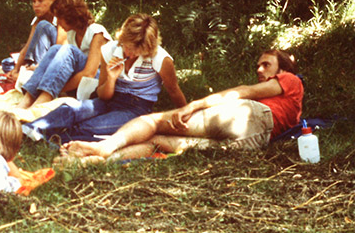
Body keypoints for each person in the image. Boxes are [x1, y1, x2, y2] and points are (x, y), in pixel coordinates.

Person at [59, 50, 303, 163]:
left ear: (283, 70)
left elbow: (244, 92)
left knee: (154, 121)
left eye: (267, 65)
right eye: (258, 65)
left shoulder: (290, 81)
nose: (260, 70)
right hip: (252, 143)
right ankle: (99, 161)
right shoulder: (289, 104)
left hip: (249, 117)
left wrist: (193, 106)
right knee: (158, 140)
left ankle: (104, 147)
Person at [22, 14, 187, 143]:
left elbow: (174, 91)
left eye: (136, 52)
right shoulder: (110, 50)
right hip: (111, 99)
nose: (128, 54)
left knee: (89, 127)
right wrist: (112, 78)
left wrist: (187, 116)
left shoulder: (160, 59)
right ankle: (28, 131)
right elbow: (103, 96)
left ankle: (54, 142)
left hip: (136, 108)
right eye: (127, 47)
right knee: (70, 109)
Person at [16, 0, 111, 109]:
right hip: (81, 83)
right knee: (56, 48)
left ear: (70, 16)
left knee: (68, 49)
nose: (58, 22)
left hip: (100, 85)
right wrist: (41, 68)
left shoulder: (97, 32)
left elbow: (89, 73)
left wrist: (56, 88)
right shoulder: (72, 33)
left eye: (59, 18)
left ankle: (43, 99)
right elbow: (61, 60)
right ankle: (28, 99)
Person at [7, 0, 66, 83]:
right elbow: (28, 46)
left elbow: (59, 52)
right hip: (41, 58)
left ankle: (33, 74)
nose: (36, 5)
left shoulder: (62, 17)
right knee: (6, 64)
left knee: (43, 26)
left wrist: (38, 67)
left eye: (40, 1)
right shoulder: (38, 19)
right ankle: (28, 71)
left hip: (57, 61)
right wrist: (15, 70)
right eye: (34, 1)